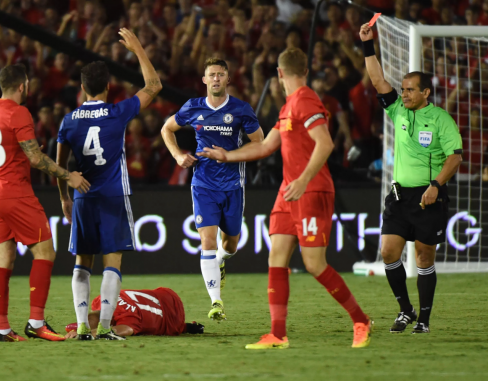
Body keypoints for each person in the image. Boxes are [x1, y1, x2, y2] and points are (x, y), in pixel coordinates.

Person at [198, 48, 372, 349]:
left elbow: (325, 143)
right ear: (304, 70)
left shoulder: (306, 100)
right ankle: (277, 334)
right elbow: (265, 147)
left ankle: (361, 320)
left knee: (315, 264)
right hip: (288, 192)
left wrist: (304, 180)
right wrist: (227, 155)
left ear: (280, 74)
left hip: (311, 190)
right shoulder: (289, 105)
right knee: (276, 258)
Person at [56, 28, 162, 341]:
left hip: (83, 198)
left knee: (81, 262)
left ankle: (81, 328)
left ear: (82, 88)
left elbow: (60, 166)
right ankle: (104, 327)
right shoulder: (117, 113)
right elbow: (154, 85)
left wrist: (64, 197)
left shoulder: (69, 120)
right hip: (114, 196)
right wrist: (138, 48)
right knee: (112, 262)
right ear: (107, 87)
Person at [360, 23, 462, 334]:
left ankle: (426, 320)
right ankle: (406, 310)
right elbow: (377, 80)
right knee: (388, 252)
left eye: (409, 90)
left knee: (423, 255)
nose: (403, 94)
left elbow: (455, 157)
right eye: (402, 89)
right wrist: (367, 43)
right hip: (399, 195)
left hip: (429, 195)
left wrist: (435, 186)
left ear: (425, 92)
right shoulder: (398, 111)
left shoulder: (441, 119)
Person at [0, 64, 87, 342]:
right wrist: (69, 177)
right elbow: (36, 159)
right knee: (45, 253)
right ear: (21, 86)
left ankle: (2, 329)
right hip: (15, 194)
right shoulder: (19, 112)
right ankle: (37, 323)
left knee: (2, 260)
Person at [161, 58, 264, 321]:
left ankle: (221, 260)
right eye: (211, 75)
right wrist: (177, 155)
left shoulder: (241, 110)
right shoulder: (193, 107)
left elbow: (259, 143)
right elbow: (167, 129)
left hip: (233, 186)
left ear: (228, 79)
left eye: (221, 74)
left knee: (230, 245)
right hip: (203, 184)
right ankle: (216, 301)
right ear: (204, 80)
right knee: (206, 240)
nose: (216, 79)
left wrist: (228, 156)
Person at [63, 288, 205, 338]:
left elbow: (126, 329)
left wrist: (89, 334)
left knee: (175, 328)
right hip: (163, 294)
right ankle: (190, 327)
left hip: (171, 317)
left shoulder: (128, 316)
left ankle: (186, 327)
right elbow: (95, 316)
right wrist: (84, 327)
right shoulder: (101, 299)